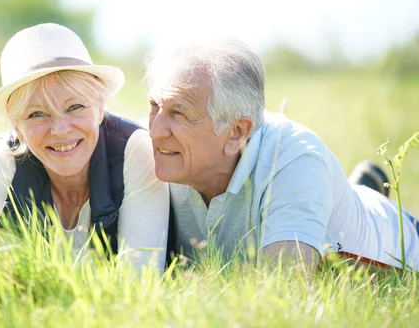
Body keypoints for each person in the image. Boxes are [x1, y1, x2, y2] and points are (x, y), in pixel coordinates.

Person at [143, 38, 419, 270]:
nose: (155, 131)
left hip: (400, 242)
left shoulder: (297, 162)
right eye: (155, 105)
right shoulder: (153, 153)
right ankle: (359, 185)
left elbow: (283, 292)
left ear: (237, 132)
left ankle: (360, 189)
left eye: (178, 113)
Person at [0, 23, 169, 273]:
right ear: (16, 126)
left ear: (100, 107)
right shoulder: (2, 163)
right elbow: (0, 281)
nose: (60, 130)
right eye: (37, 114)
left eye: (75, 107)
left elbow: (140, 279)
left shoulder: (135, 150)